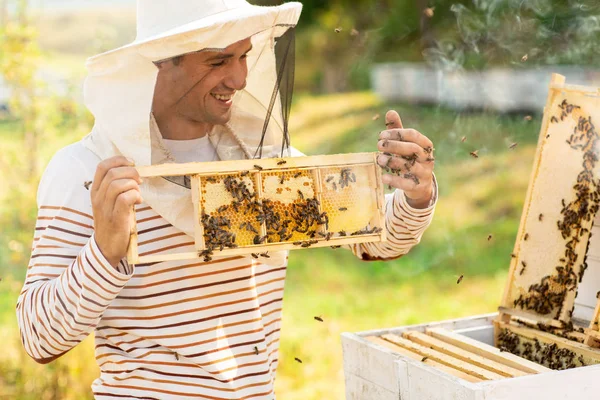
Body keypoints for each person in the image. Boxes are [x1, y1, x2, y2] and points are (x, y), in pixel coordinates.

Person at [16, 0, 438, 398]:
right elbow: (38, 338)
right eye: (219, 60)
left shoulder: (260, 157)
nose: (238, 78)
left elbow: (372, 238)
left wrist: (415, 197)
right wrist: (105, 253)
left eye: (243, 56)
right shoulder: (84, 172)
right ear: (162, 61)